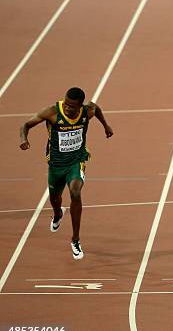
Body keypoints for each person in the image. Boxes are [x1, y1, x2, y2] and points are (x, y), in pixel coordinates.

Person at [19, 87, 114, 260]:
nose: (68, 108)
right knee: (55, 198)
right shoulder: (52, 112)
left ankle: (75, 240)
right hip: (56, 165)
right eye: (67, 105)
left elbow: (97, 108)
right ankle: (57, 213)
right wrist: (24, 139)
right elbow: (25, 125)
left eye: (73, 107)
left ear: (80, 106)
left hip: (76, 162)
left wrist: (105, 126)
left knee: (75, 192)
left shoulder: (87, 111)